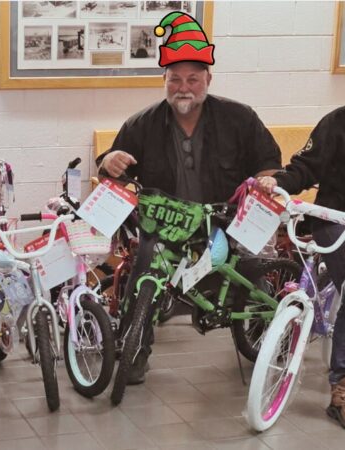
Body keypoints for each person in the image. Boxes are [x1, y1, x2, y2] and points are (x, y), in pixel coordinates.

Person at [97, 12, 282, 385]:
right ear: (164, 80)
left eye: (193, 79)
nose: (184, 87)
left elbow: (269, 162)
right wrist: (108, 161)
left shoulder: (240, 118)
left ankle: (265, 337)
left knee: (253, 272)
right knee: (143, 270)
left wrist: (267, 181)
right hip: (166, 224)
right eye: (175, 79)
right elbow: (110, 170)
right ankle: (135, 352)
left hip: (226, 220)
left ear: (207, 80)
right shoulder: (142, 124)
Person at [258, 106, 345, 428]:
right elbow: (306, 167)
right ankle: (341, 384)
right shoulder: (337, 122)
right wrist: (277, 181)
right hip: (336, 219)